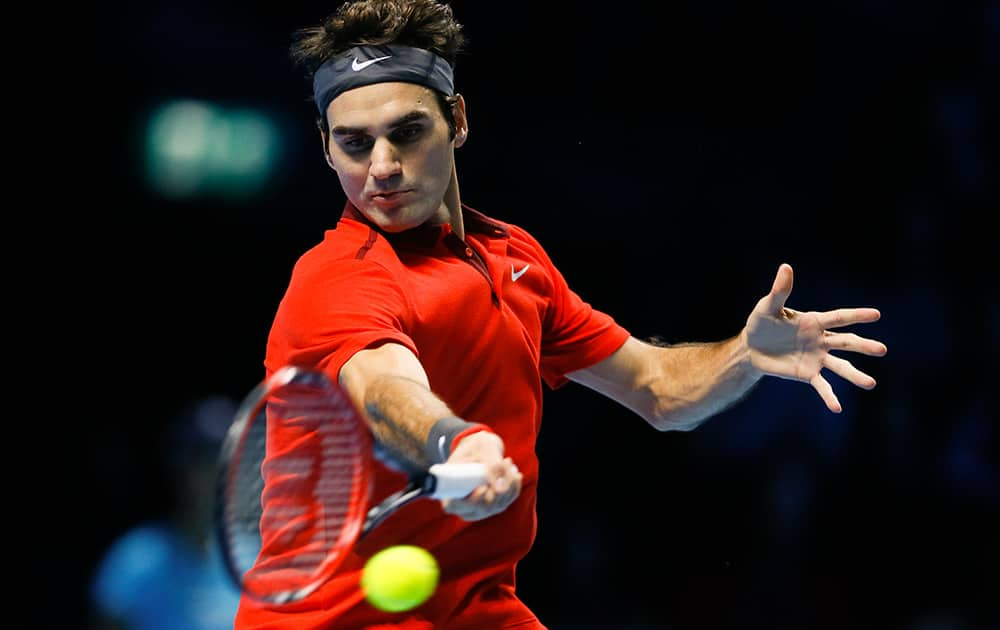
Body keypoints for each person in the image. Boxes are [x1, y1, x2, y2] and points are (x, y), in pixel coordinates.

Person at [237, 1, 888, 627]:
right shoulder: (335, 279)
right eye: (354, 144)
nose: (381, 167)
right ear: (326, 148)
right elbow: (382, 387)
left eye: (407, 132)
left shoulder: (517, 260)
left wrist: (745, 355)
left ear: (457, 121)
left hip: (473, 609)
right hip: (332, 623)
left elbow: (657, 390)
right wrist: (452, 442)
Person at [90, 395, 242, 630]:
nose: (214, 470)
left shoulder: (260, 561)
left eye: (225, 456)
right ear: (180, 470)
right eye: (202, 457)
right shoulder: (135, 558)